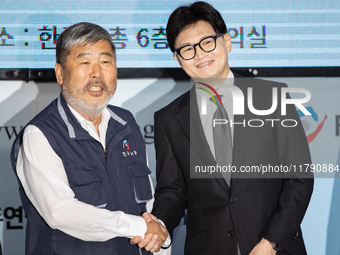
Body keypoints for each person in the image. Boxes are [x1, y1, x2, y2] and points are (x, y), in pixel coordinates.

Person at [147, 2, 314, 255]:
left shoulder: (272, 96)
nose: (200, 54)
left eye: (207, 42)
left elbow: (299, 178)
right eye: (187, 49)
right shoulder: (169, 119)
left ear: (226, 41)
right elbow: (173, 192)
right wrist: (159, 225)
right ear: (178, 59)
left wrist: (271, 242)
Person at [10, 22, 168, 255]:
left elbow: (147, 203)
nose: (97, 73)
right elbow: (60, 212)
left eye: (105, 62)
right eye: (84, 62)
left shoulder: (126, 124)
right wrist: (137, 226)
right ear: (60, 73)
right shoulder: (40, 133)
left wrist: (159, 238)